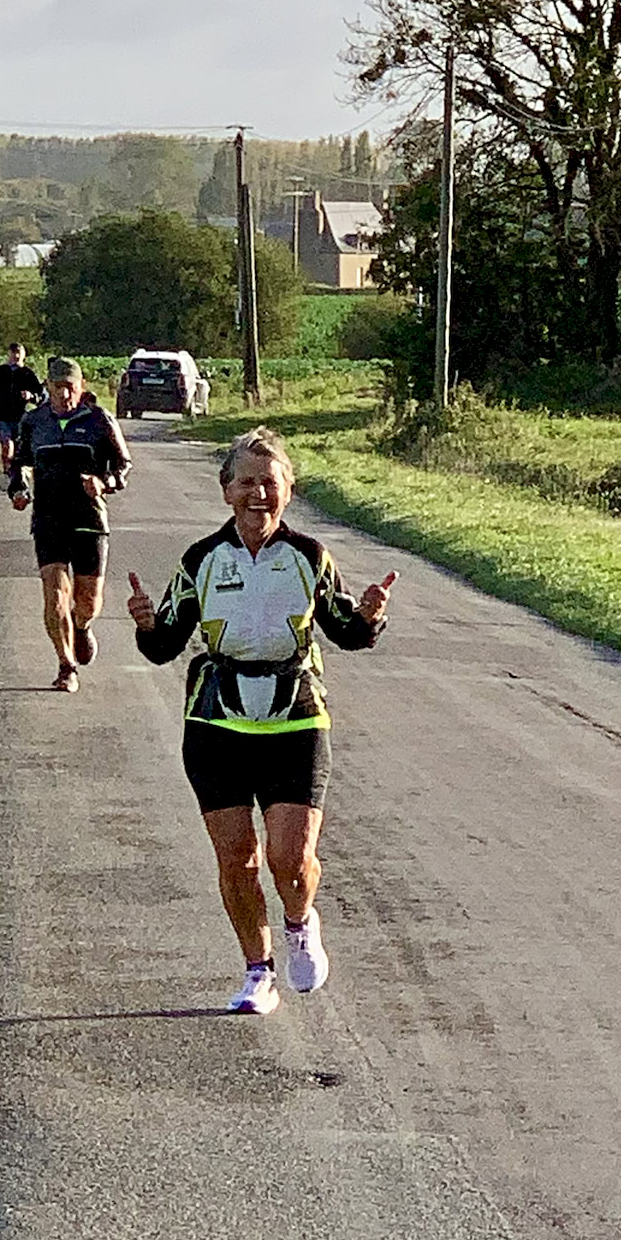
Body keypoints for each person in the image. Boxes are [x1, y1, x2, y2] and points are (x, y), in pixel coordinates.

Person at [127, 425, 397, 1015]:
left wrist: (370, 616)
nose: (258, 495)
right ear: (226, 490)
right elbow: (164, 645)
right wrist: (146, 623)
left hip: (295, 721)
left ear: (288, 491)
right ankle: (258, 971)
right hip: (216, 725)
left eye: (269, 483)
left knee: (289, 862)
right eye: (246, 483)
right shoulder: (201, 559)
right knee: (236, 858)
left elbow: (347, 632)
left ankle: (299, 922)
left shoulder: (309, 557)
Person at [9, 356, 132, 692]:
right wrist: (19, 490)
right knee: (54, 594)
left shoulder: (98, 420)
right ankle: (66, 666)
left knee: (88, 601)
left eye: (70, 387)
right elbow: (20, 463)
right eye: (57, 387)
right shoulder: (33, 422)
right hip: (48, 518)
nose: (64, 394)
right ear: (47, 387)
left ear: (82, 386)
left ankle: (81, 626)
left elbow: (123, 466)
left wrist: (103, 482)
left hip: (89, 518)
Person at [0, 342, 44, 474]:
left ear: (24, 355)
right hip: (2, 414)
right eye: (14, 353)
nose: (16, 356)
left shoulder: (28, 373)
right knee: (7, 444)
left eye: (19, 353)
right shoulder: (0, 371)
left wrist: (31, 396)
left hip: (20, 415)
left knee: (19, 446)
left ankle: (16, 470)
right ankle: (7, 468)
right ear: (9, 354)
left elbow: (39, 393)